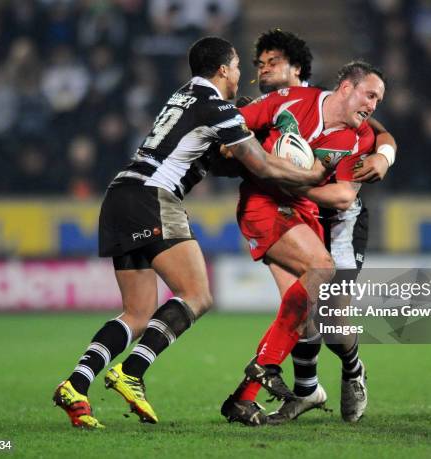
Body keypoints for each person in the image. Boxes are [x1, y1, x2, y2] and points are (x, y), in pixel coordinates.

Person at [52, 36, 331, 429]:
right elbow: (263, 166)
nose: (240, 74)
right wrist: (313, 175)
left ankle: (75, 385)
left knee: (137, 312)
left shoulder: (182, 96)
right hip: (154, 197)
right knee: (197, 295)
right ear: (222, 69)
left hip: (120, 195)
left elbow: (215, 159)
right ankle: (130, 372)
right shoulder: (215, 106)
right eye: (236, 66)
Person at [220, 52, 388, 426]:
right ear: (346, 87)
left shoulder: (359, 136)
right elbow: (234, 126)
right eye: (370, 95)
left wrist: (288, 178)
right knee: (296, 309)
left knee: (330, 321)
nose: (374, 105)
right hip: (293, 213)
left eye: (378, 99)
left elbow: (344, 196)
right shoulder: (296, 101)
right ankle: (305, 391)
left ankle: (352, 367)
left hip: (341, 222)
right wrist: (236, 151)